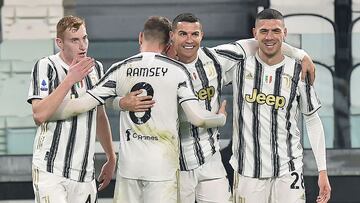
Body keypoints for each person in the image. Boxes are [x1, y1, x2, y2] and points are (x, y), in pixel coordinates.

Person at [49, 16, 228, 203]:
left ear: (141, 37)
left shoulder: (120, 68)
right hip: (162, 168)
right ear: (169, 43)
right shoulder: (177, 71)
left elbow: (83, 104)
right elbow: (199, 119)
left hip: (129, 169)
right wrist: (221, 117)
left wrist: (45, 112)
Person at [159, 12, 317, 203]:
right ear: (172, 36)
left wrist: (301, 54)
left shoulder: (216, 59)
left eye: (194, 34)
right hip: (175, 164)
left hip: (210, 161)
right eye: (183, 34)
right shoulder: (161, 70)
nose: (189, 40)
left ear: (202, 35)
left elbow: (260, 40)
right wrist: (122, 103)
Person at [230, 9, 331, 203]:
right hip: (248, 172)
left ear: (285, 33)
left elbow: (312, 120)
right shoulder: (238, 68)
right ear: (254, 34)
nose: (270, 37)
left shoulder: (299, 72)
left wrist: (322, 170)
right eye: (264, 31)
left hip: (288, 171)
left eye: (276, 31)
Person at [27, 15, 116, 203]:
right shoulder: (46, 66)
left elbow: (100, 115)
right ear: (60, 42)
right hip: (51, 169)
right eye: (74, 40)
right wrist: (69, 79)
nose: (82, 45)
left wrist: (110, 156)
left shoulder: (97, 69)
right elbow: (39, 114)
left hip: (85, 173)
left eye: (85, 38)